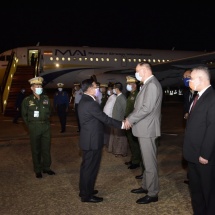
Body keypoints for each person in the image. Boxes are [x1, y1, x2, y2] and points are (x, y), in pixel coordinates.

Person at [78, 78, 124, 203]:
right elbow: (105, 119)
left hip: (89, 139)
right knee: (90, 168)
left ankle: (85, 190)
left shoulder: (85, 100)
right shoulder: (90, 103)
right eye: (95, 86)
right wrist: (122, 124)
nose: (97, 88)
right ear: (89, 88)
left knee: (87, 167)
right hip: (92, 141)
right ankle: (86, 196)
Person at [124, 62, 163, 204]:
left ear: (145, 70)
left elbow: (146, 108)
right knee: (146, 161)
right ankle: (146, 186)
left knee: (150, 162)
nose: (136, 74)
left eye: (137, 71)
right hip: (144, 128)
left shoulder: (152, 85)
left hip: (148, 129)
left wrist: (130, 119)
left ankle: (153, 193)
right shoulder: (147, 84)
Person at [183, 66, 215, 215]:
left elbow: (212, 128)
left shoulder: (212, 97)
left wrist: (205, 154)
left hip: (204, 157)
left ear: (201, 80)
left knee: (208, 193)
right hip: (193, 155)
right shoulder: (198, 96)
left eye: (191, 78)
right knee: (196, 192)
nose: (188, 81)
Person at [21, 77, 55, 178]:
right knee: (36, 149)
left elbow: (50, 111)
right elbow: (24, 115)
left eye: (40, 86)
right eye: (37, 86)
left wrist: (46, 120)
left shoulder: (46, 99)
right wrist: (30, 126)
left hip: (45, 126)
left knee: (46, 148)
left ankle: (47, 168)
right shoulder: (27, 100)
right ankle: (37, 169)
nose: (39, 87)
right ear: (32, 88)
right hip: (34, 127)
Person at [182, 68, 197, 185]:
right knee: (189, 151)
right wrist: (186, 113)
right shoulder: (186, 92)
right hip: (189, 127)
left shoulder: (199, 93)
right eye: (184, 77)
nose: (185, 79)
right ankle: (191, 177)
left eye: (187, 76)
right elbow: (186, 107)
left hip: (197, 128)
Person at [124, 76, 143, 172]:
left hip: (133, 123)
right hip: (128, 122)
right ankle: (133, 159)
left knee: (135, 143)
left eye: (129, 84)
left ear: (134, 85)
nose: (127, 86)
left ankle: (136, 161)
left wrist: (130, 120)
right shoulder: (130, 94)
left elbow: (136, 111)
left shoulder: (137, 95)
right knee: (131, 143)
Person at [108, 82, 128, 157]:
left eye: (114, 88)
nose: (113, 90)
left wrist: (124, 119)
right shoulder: (118, 97)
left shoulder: (122, 98)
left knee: (120, 138)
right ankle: (119, 151)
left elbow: (125, 109)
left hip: (119, 121)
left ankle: (121, 152)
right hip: (115, 120)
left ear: (117, 89)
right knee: (117, 137)